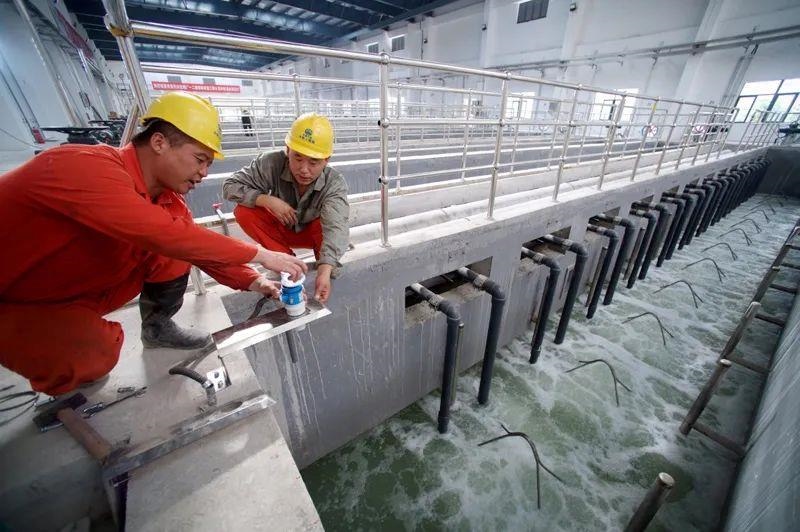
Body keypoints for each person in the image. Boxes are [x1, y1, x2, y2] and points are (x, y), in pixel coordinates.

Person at [0, 91, 307, 396]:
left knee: (176, 249)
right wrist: (260, 254)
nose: (203, 173)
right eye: (200, 159)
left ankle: (156, 327)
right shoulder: (83, 167)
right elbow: (165, 234)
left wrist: (256, 281)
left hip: (61, 291)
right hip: (12, 299)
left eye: (209, 164)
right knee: (92, 357)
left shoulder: (167, 200)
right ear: (159, 143)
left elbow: (195, 248)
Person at [222, 113, 349, 303]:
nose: (304, 169)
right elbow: (230, 186)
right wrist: (266, 200)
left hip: (312, 235)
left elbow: (336, 228)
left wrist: (325, 269)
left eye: (313, 162)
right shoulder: (271, 163)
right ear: (287, 150)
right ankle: (287, 262)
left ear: (326, 160)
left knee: (329, 224)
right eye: (297, 158)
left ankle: (322, 263)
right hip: (282, 230)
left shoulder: (334, 183)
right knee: (244, 212)